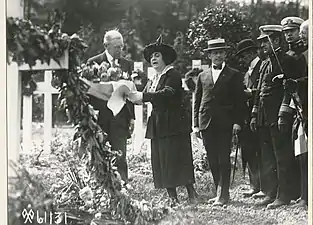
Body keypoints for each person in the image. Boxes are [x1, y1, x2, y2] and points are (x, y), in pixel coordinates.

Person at [128, 35, 198, 204]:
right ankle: (172, 197)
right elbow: (144, 97)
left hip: (174, 122)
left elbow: (167, 93)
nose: (153, 59)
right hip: (158, 123)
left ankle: (191, 194)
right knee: (162, 159)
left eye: (157, 55)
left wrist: (143, 96)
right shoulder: (154, 78)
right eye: (152, 56)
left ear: (165, 58)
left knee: (179, 157)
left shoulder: (172, 74)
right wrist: (131, 95)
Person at [250, 25, 301, 209]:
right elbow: (260, 91)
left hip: (280, 115)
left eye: (266, 41)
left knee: (282, 156)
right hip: (264, 115)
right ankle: (271, 192)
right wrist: (255, 113)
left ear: (277, 41)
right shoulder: (265, 62)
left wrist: (283, 113)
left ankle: (284, 195)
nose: (263, 45)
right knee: (268, 157)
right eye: (262, 42)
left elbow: (290, 89)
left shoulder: (287, 60)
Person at [194, 38, 246, 206]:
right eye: (214, 53)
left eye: (221, 52)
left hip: (225, 122)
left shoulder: (234, 74)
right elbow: (198, 100)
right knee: (212, 159)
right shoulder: (202, 75)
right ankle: (219, 192)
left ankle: (223, 195)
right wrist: (195, 124)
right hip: (206, 122)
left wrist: (238, 122)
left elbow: (240, 101)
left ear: (225, 54)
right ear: (209, 55)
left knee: (223, 158)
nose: (218, 55)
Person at [86, 30, 135, 184]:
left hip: (121, 116)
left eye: (121, 47)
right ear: (106, 45)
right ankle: (100, 184)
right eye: (116, 47)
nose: (120, 50)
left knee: (121, 154)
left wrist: (131, 117)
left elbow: (130, 92)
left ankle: (123, 185)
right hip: (101, 116)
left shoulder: (127, 64)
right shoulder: (93, 63)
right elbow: (89, 90)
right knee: (99, 152)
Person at [279, 19, 309, 207]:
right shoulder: (301, 55)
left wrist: (298, 82)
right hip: (302, 109)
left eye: (303, 34)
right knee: (302, 151)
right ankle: (305, 195)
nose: (302, 38)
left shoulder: (305, 55)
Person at [235, 39, 264, 198]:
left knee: (260, 151)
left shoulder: (262, 67)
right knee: (249, 151)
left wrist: (249, 93)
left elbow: (260, 91)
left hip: (260, 115)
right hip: (247, 117)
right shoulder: (247, 73)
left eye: (244, 55)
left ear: (252, 52)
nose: (242, 58)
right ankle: (255, 185)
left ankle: (263, 187)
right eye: (241, 56)